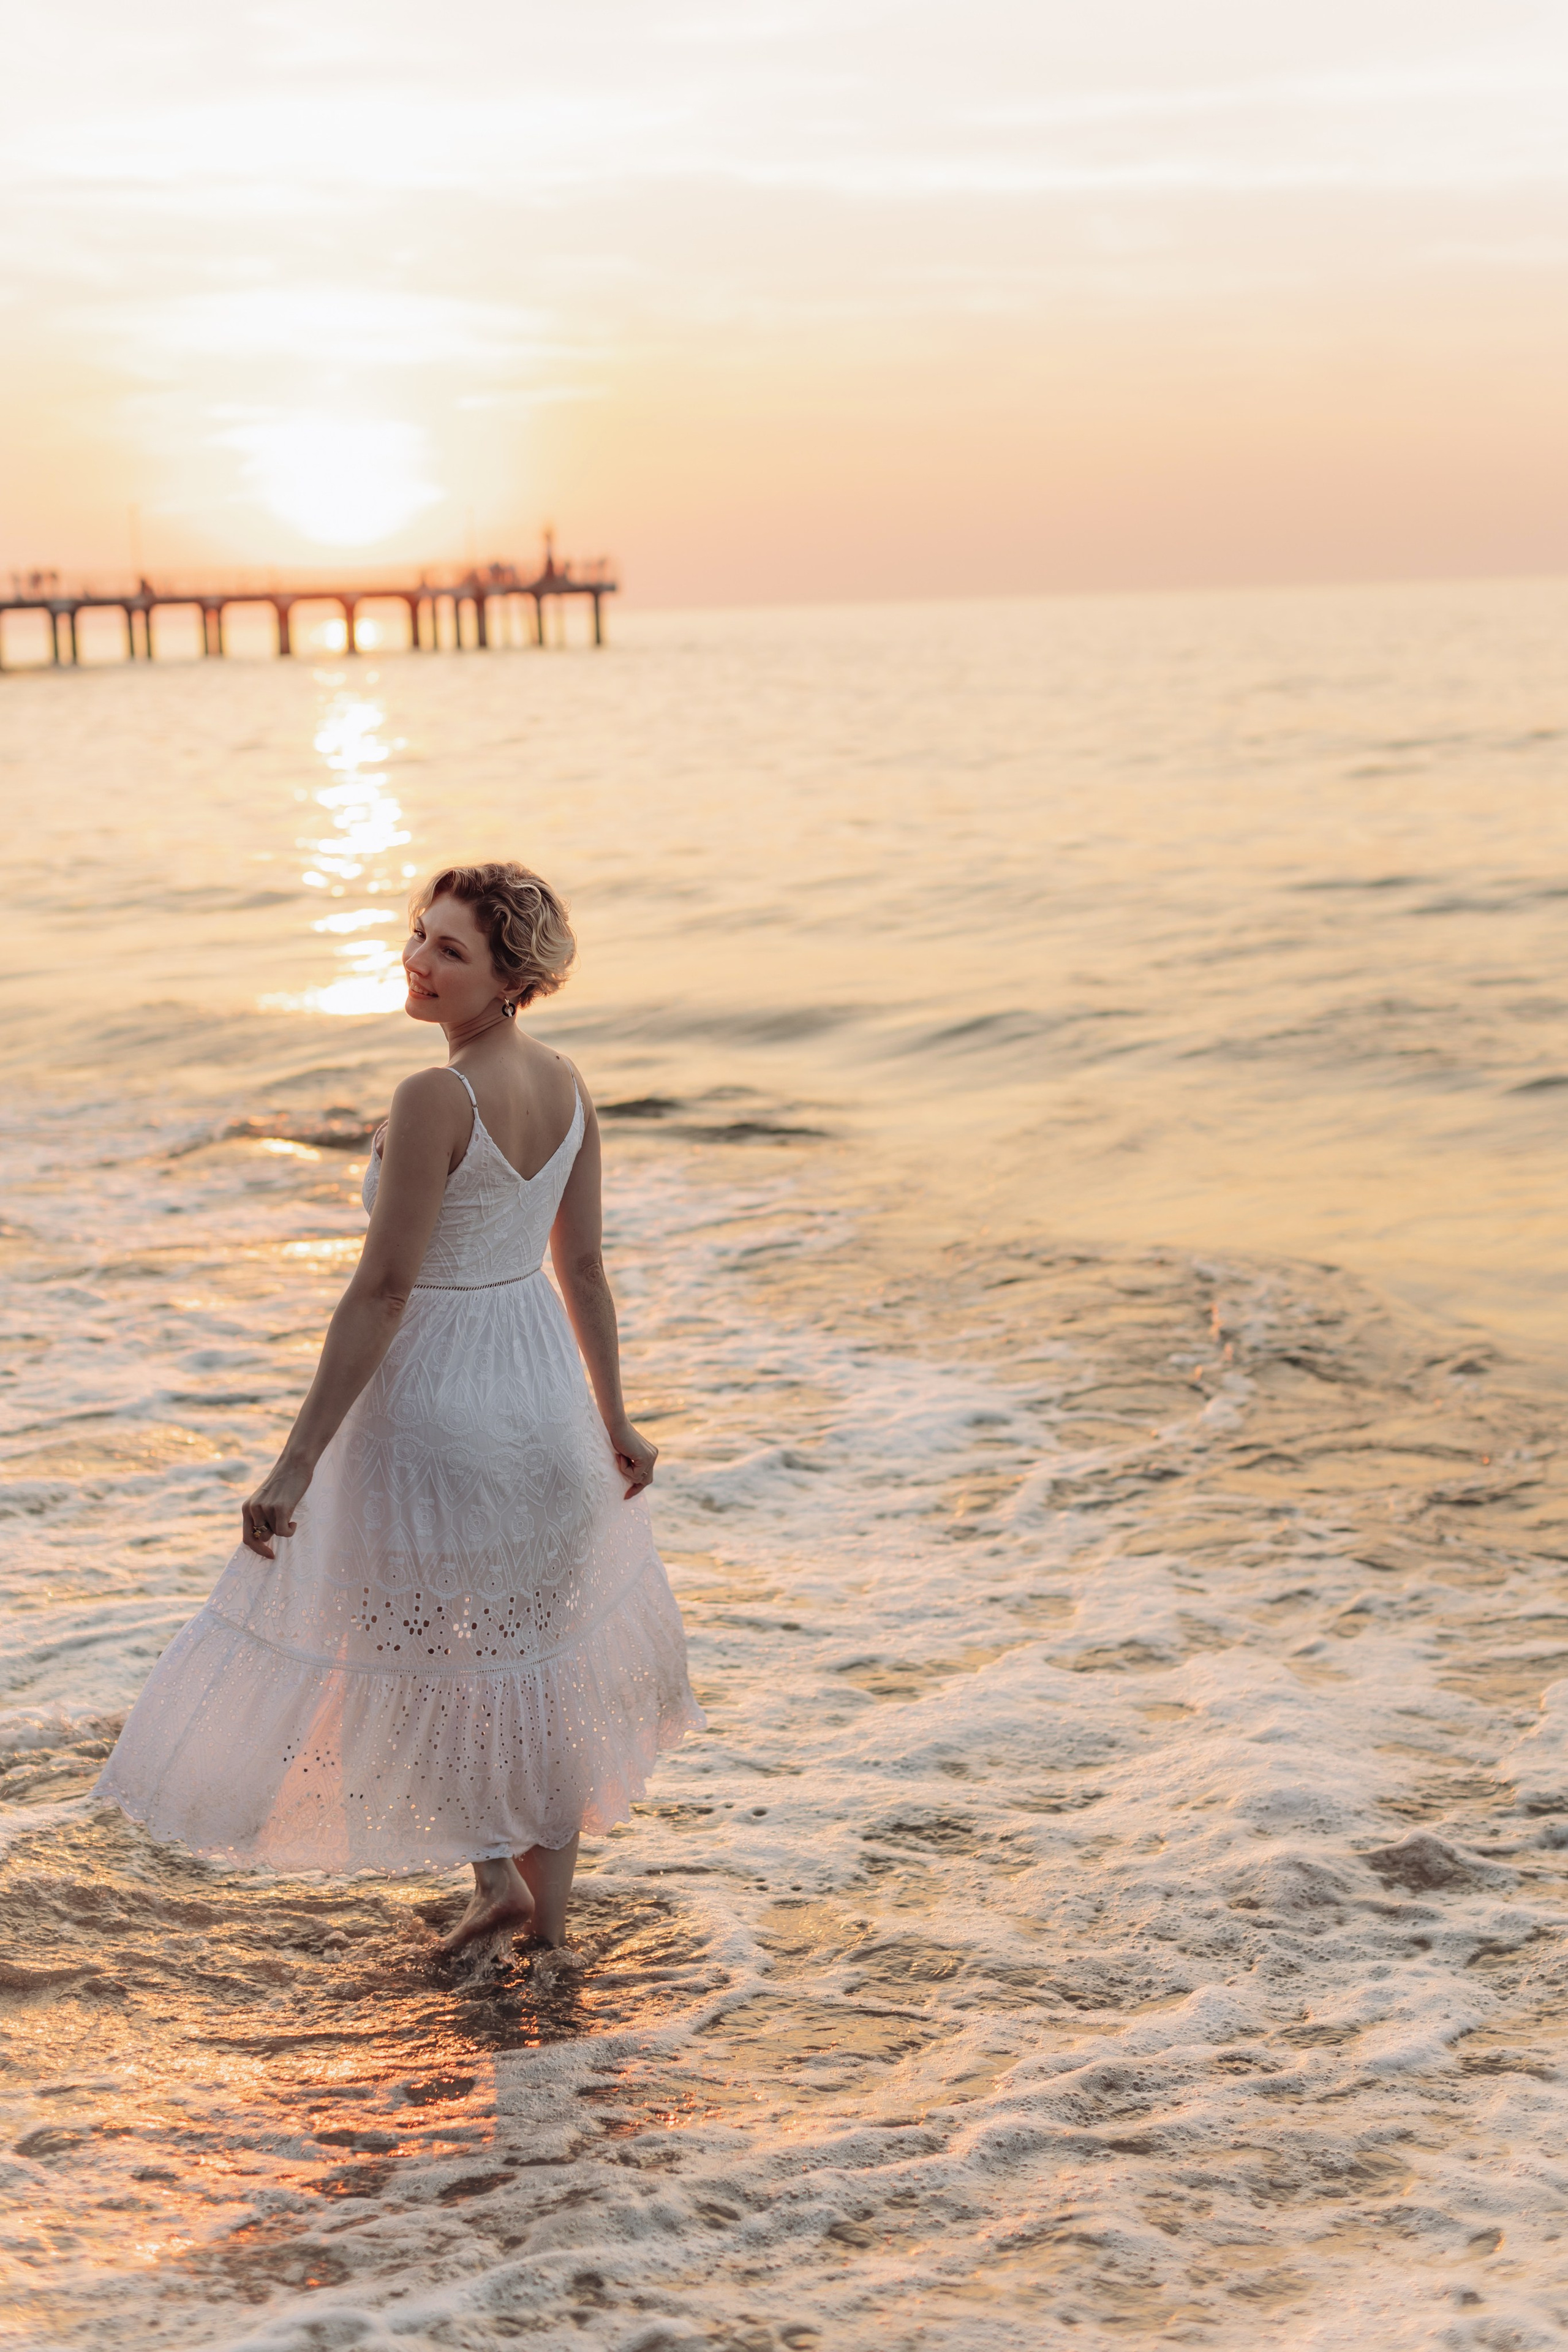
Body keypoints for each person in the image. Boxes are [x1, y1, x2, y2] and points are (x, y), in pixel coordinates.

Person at [99, 861, 704, 1954]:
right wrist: (614, 1419)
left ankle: (503, 1890)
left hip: (437, 1410)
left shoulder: (436, 1096)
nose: (418, 960)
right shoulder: (567, 1083)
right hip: (543, 1407)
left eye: (450, 950)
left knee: (430, 1661)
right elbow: (585, 1270)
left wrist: (295, 1464)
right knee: (531, 1665)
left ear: (510, 979)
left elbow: (384, 1290)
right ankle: (541, 1926)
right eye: (421, 934)